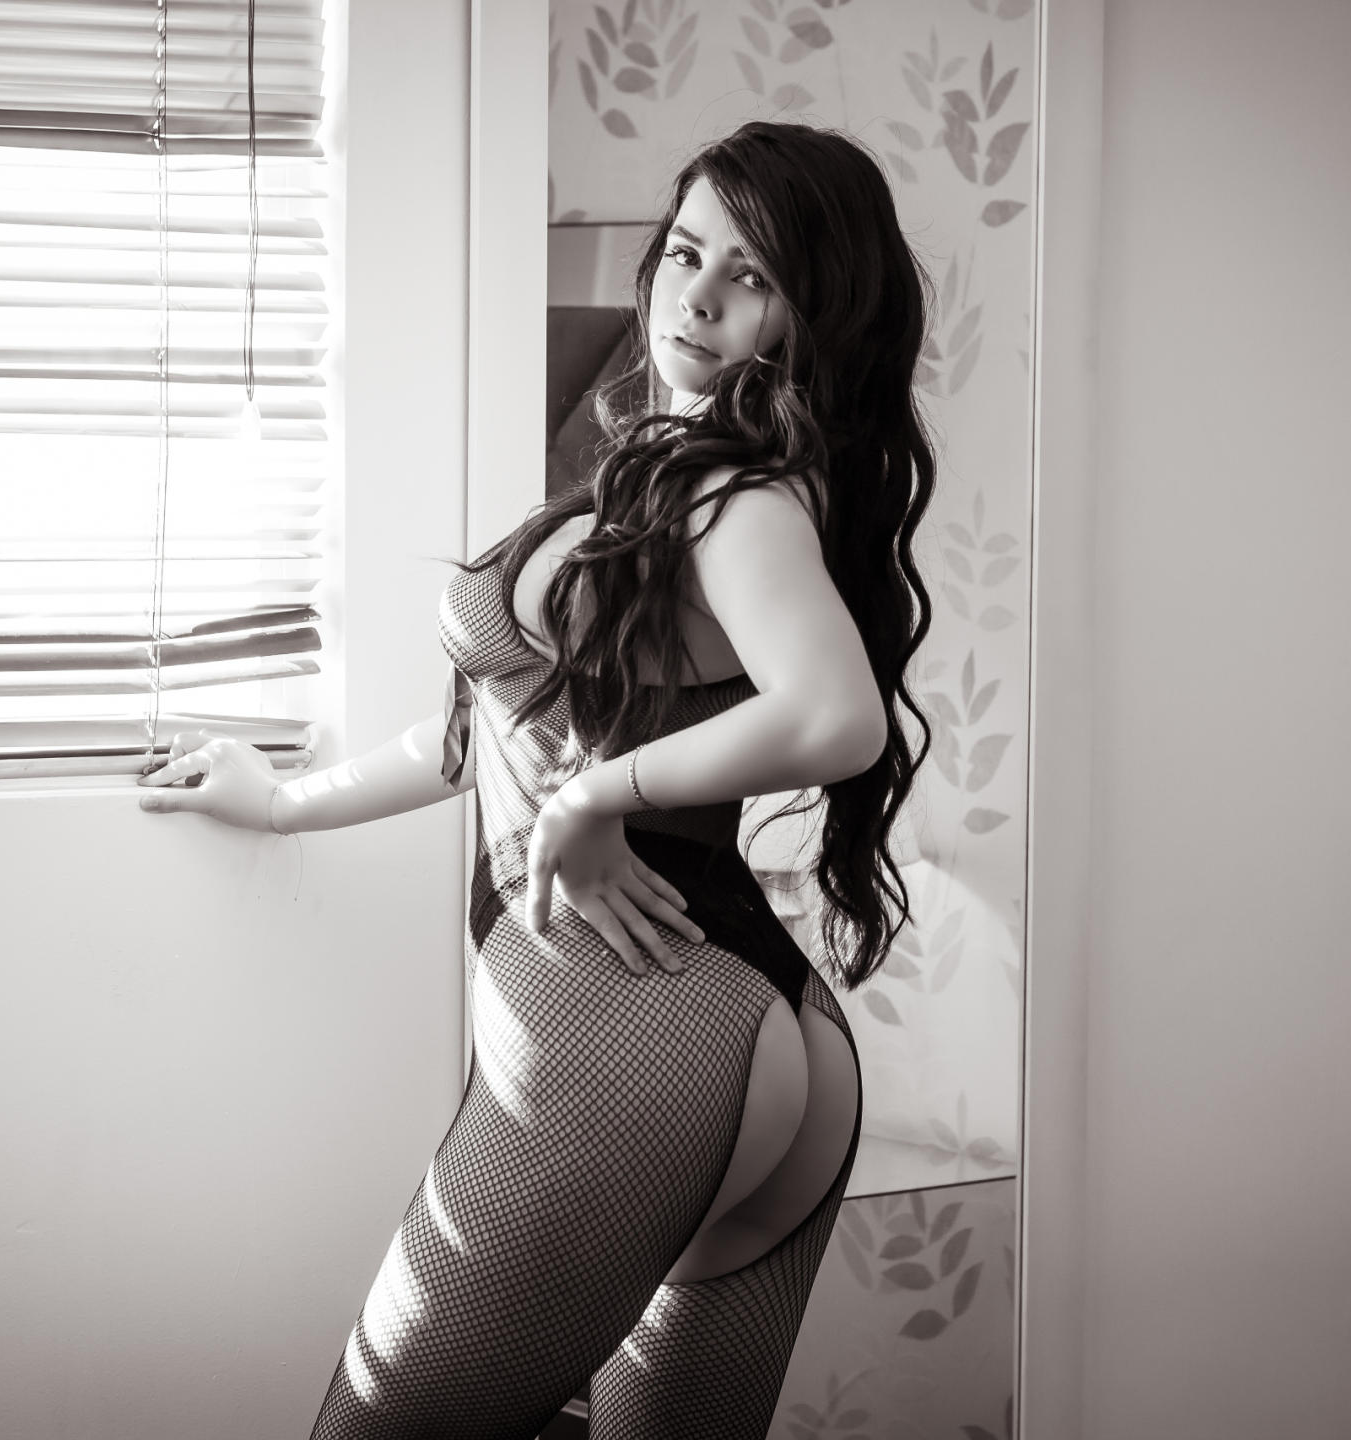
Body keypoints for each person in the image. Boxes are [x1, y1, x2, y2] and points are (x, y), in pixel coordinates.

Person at [137, 119, 936, 1440]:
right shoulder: (697, 481)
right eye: (687, 253)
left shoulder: (734, 500)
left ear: (815, 313)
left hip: (639, 1020)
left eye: (751, 276)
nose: (697, 297)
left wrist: (594, 799)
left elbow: (835, 718)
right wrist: (280, 801)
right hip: (763, 1031)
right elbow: (493, 739)